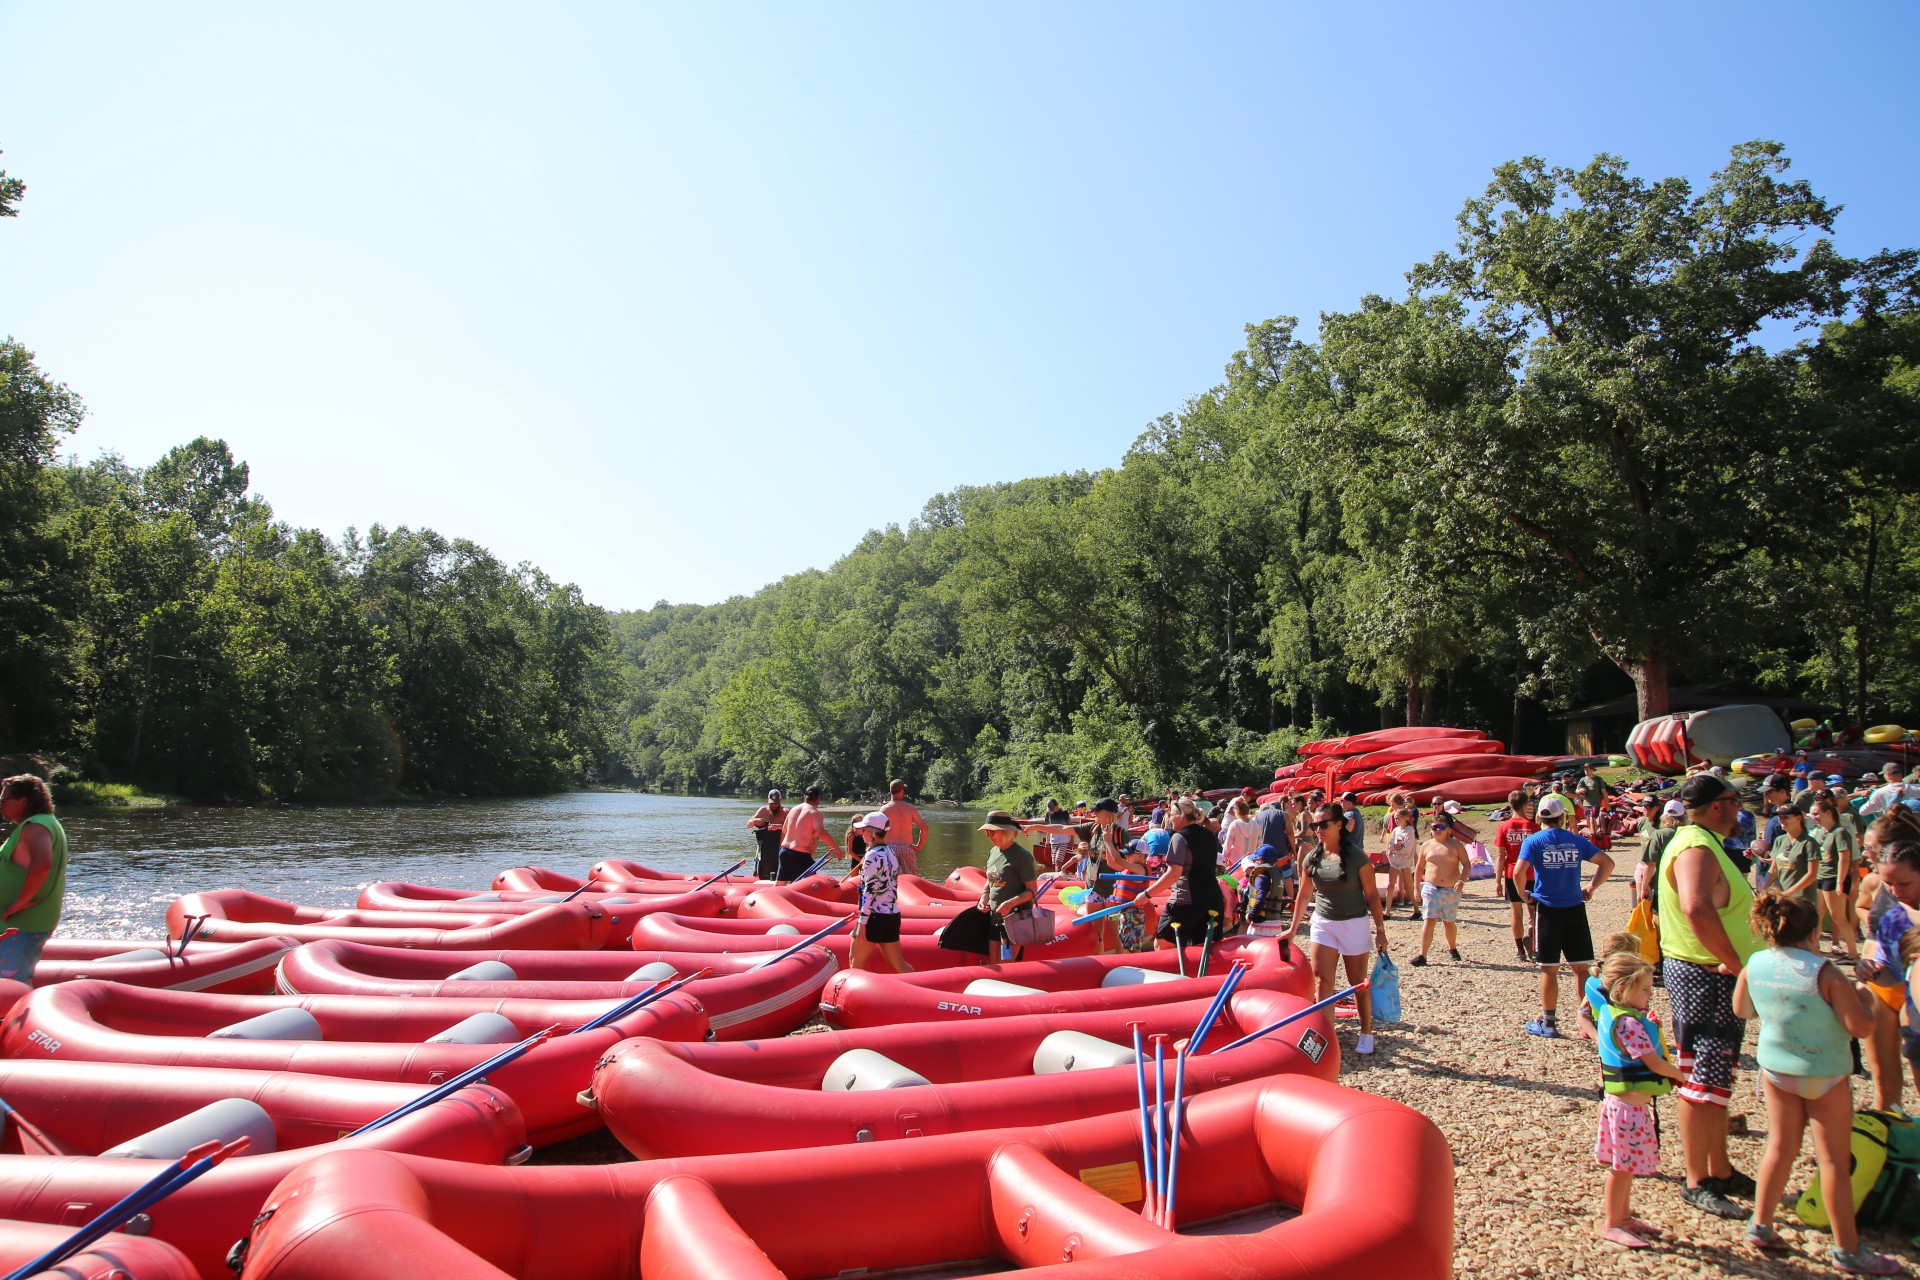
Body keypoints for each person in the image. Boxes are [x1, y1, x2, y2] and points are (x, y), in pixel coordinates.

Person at [1734, 892, 1896, 1273]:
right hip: (1824, 1072)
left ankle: (1760, 1223)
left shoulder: (1755, 963)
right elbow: (1860, 1028)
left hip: (1777, 1069)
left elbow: (1743, 1009)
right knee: (1834, 1162)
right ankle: (1848, 1250)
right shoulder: (1824, 971)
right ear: (1814, 932)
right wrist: (1865, 999)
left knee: (1779, 1148)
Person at [1656, 772, 1762, 1220]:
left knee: (1718, 1077)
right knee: (1702, 1078)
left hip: (1711, 973)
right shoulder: (1695, 845)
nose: (1740, 809)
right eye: (1735, 801)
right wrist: (1738, 966)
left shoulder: (1700, 840)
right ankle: (1697, 1178)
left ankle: (1719, 1168)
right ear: (1717, 805)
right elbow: (1695, 906)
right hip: (1706, 974)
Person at [1590, 950, 1685, 1249]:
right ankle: (1613, 1223)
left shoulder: (1616, 1013)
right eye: (1645, 989)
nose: (1650, 994)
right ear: (1623, 989)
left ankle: (1624, 1216)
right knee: (1621, 1169)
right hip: (1627, 1110)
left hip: (1626, 1107)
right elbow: (1654, 1063)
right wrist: (1682, 1076)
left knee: (1626, 1167)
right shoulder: (1628, 1024)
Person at [1287, 800, 1388, 1055]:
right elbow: (1305, 894)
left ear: (1339, 825)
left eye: (1323, 824)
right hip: (1323, 922)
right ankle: (1326, 1033)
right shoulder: (1312, 856)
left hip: (1353, 922)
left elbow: (1372, 895)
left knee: (1357, 982)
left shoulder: (1356, 857)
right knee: (1322, 981)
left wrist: (1380, 930)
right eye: (1314, 824)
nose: (1317, 829)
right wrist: (1292, 928)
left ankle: (1366, 1031)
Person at [1515, 795, 1614, 1040]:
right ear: (1561, 817)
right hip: (1574, 908)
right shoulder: (1576, 840)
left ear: (1539, 817)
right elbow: (1607, 863)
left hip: (1547, 909)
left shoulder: (1534, 841)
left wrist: (1524, 895)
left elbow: (1519, 872)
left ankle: (1549, 1022)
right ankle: (1586, 1021)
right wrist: (1591, 887)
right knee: (1581, 969)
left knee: (1549, 969)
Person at [0, 776, 67, 984]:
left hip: (22, 923)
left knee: (10, 984)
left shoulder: (35, 826)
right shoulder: (44, 823)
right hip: (23, 923)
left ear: (23, 800)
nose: (0, 805)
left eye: (3, 800)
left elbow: (43, 863)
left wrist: (18, 904)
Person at [1145, 800, 1225, 955]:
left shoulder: (1179, 838)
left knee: (1162, 945)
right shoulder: (1208, 834)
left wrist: (1147, 894)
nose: (1169, 818)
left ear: (1181, 815)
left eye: (1172, 814)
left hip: (1186, 900)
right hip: (1212, 898)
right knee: (1205, 950)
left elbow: (1173, 873)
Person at [844, 812, 910, 974]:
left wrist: (862, 922)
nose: (861, 833)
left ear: (873, 833)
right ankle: (922, 991)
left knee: (855, 962)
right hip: (891, 914)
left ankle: (854, 998)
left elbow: (869, 890)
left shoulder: (872, 856)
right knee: (899, 964)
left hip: (873, 916)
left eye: (864, 830)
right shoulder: (891, 853)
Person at [975, 810, 1040, 963]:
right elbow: (990, 880)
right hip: (995, 917)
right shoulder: (993, 852)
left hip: (1015, 919)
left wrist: (1009, 904)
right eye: (986, 833)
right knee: (994, 964)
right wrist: (984, 897)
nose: (988, 836)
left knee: (1007, 964)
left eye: (991, 832)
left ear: (1004, 832)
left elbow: (1032, 891)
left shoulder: (1022, 856)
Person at [1412, 815, 1470, 966]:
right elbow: (1419, 867)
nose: (1437, 830)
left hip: (1451, 889)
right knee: (1429, 920)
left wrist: (1461, 881)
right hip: (1431, 887)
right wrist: (1416, 887)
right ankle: (1422, 955)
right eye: (1434, 827)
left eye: (1440, 827)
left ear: (1448, 830)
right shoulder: (1426, 845)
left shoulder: (1456, 845)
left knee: (1448, 922)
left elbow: (1467, 865)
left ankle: (1452, 948)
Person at [1811, 797, 1861, 960]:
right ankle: (1814, 949)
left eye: (1817, 814)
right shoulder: (1823, 832)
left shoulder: (1840, 832)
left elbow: (1844, 858)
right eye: (1813, 815)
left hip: (1833, 879)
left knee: (1838, 917)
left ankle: (1853, 953)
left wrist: (1840, 883)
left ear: (1828, 812)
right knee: (1817, 914)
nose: (1814, 818)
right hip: (1821, 877)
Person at [1494, 794, 1537, 961]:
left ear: (1510, 805)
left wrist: (1498, 880)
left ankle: (1520, 950)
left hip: (1512, 873)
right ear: (1526, 805)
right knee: (1533, 912)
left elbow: (1500, 856)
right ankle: (1533, 941)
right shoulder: (1533, 827)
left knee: (1516, 911)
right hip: (1531, 873)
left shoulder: (1504, 827)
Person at [775, 785, 843, 884]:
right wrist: (836, 847)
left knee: (780, 883)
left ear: (804, 797)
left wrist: (780, 849)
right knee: (811, 883)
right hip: (799, 853)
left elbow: (784, 830)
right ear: (818, 798)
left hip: (784, 851)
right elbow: (821, 833)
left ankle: (771, 897)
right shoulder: (814, 813)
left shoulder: (793, 810)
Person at [877, 780, 928, 878]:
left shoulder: (884, 809)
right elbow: (924, 828)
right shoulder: (910, 808)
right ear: (901, 791)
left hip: (889, 847)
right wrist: (919, 846)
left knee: (889, 878)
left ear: (890, 791)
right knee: (911, 879)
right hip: (906, 847)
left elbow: (878, 831)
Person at [1238, 843, 1287, 937]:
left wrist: (1251, 915)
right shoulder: (1275, 876)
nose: (1254, 863)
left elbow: (1261, 898)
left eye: (1254, 860)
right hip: (1275, 924)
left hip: (1261, 925)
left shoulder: (1261, 877)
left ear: (1260, 861)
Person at [1383, 805, 1420, 916]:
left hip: (1405, 862)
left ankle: (1416, 909)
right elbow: (1390, 845)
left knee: (1408, 887)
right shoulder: (1395, 830)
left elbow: (1408, 849)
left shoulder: (1410, 831)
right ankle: (1387, 912)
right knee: (1390, 885)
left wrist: (1396, 849)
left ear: (1405, 818)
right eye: (1395, 818)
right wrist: (1395, 849)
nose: (1396, 820)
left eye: (1398, 818)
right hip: (1395, 861)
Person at [746, 789, 787, 880]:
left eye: (776, 803)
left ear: (780, 801)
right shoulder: (763, 810)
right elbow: (748, 825)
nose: (774, 805)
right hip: (765, 849)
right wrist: (754, 821)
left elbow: (793, 828)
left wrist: (779, 826)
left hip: (780, 848)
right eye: (771, 803)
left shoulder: (785, 812)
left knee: (779, 872)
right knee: (762, 872)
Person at [1575, 764, 1609, 836]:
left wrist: (1607, 804)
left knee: (1592, 820)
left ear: (1592, 770)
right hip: (1586, 804)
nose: (1586, 771)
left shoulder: (1598, 779)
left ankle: (1594, 836)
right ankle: (1593, 835)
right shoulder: (1583, 780)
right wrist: (1580, 790)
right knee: (1588, 822)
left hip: (1595, 803)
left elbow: (1604, 792)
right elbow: (1576, 791)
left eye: (1587, 770)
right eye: (1585, 770)